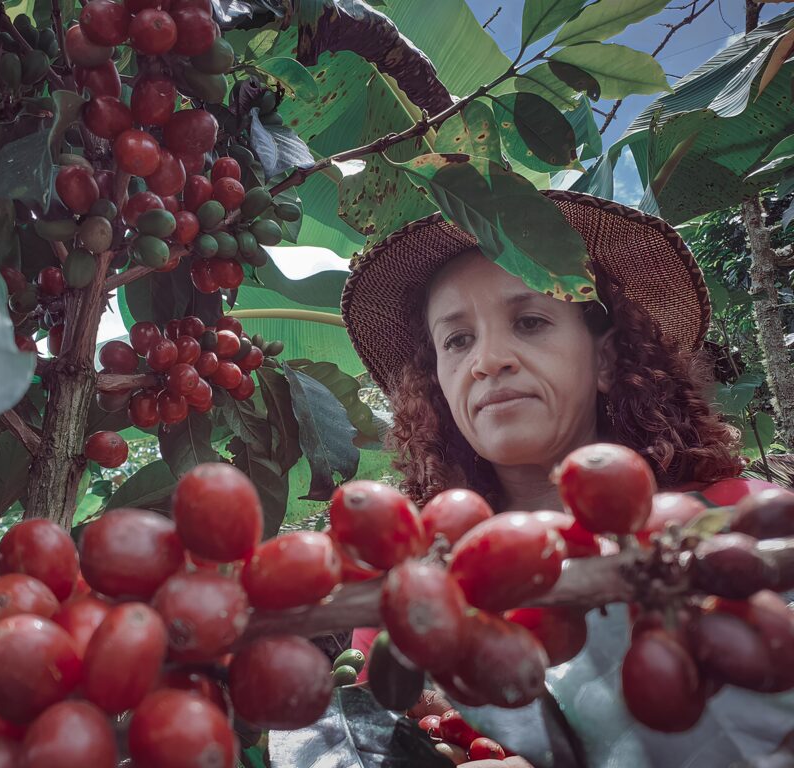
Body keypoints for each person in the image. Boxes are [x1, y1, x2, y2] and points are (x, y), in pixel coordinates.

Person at [334, 190, 794, 767]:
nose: (488, 359)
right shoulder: (410, 592)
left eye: (530, 321)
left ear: (604, 361)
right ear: (437, 385)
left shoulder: (736, 517)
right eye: (457, 340)